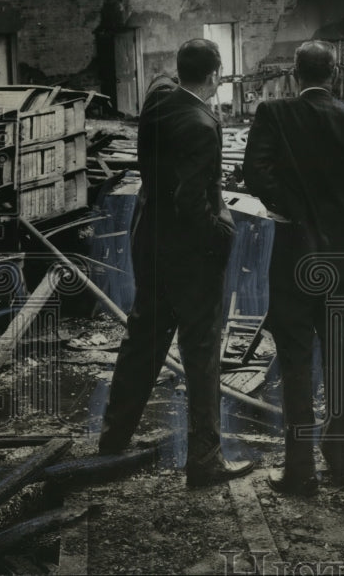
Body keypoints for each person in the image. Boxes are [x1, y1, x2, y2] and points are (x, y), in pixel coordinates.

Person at [98, 39, 256, 488]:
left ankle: (112, 437)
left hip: (150, 242)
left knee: (143, 339)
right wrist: (222, 234)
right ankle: (204, 461)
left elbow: (168, 82)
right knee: (202, 351)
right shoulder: (200, 124)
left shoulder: (158, 98)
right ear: (214, 76)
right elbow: (192, 201)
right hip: (190, 256)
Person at [243, 41, 344, 495]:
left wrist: (294, 210)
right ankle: (342, 461)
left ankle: (300, 469)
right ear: (335, 74)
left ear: (294, 73)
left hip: (294, 258)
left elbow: (255, 173)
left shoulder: (274, 113)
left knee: (295, 361)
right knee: (341, 359)